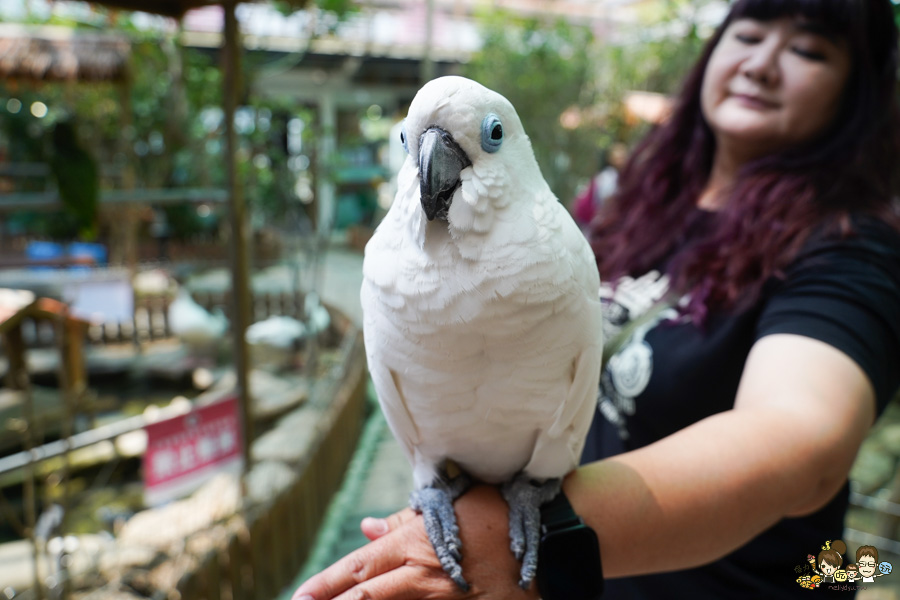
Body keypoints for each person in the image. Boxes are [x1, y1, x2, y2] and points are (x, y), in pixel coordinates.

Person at [292, 0, 900, 598]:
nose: (762, 64)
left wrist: (528, 534)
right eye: (748, 34)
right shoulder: (626, 203)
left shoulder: (853, 248)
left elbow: (801, 439)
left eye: (807, 50)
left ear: (859, 93)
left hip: (746, 581)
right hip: (571, 581)